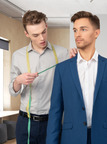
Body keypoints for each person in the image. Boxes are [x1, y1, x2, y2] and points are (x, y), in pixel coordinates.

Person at [46, 11, 107, 144]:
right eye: (75, 30)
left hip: (103, 138)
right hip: (71, 138)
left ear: (96, 33)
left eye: (83, 29)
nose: (77, 34)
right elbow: (55, 111)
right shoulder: (62, 69)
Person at [9, 10, 69, 144]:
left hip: (52, 121)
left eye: (43, 32)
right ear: (27, 34)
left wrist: (75, 59)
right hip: (26, 122)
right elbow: (12, 91)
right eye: (35, 35)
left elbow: (71, 84)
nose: (41, 38)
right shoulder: (18, 56)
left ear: (46, 26)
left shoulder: (62, 54)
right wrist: (18, 80)